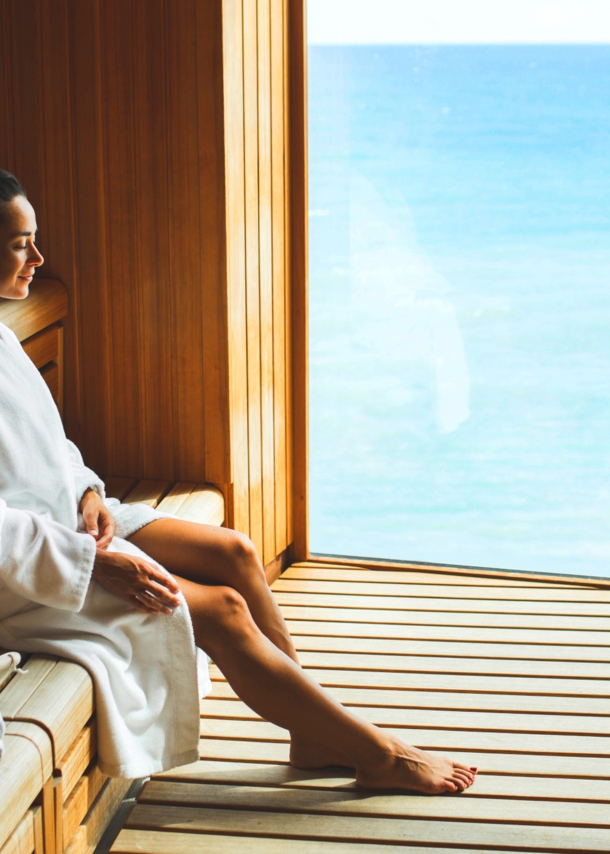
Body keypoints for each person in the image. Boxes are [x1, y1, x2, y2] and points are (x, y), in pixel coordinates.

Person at [0, 168, 476, 792]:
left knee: (234, 551)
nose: (38, 258)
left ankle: (310, 732)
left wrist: (88, 490)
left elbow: (45, 446)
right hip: (27, 574)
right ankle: (380, 755)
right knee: (222, 611)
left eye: (34, 239)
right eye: (18, 243)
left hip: (69, 524)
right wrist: (93, 565)